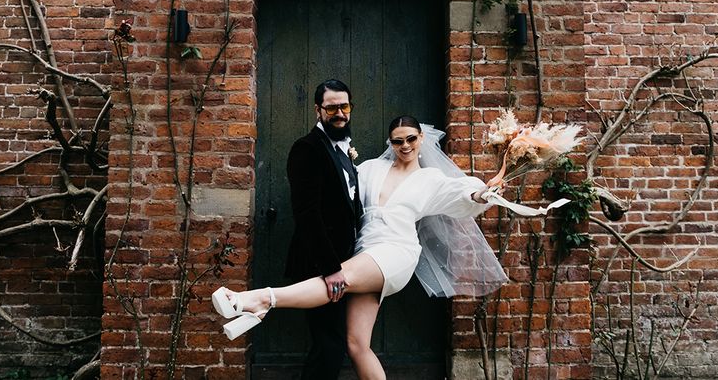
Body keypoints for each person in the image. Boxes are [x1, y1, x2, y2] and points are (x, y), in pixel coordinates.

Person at [212, 115, 508, 380]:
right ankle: (260, 306)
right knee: (356, 344)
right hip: (365, 251)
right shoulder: (369, 169)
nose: (405, 146)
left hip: (396, 252)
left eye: (411, 139)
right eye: (398, 140)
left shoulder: (432, 178)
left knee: (341, 276)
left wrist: (484, 192)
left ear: (422, 139)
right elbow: (339, 188)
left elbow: (465, 194)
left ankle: (262, 300)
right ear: (390, 143)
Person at [284, 79, 363, 380]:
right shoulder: (307, 148)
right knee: (329, 345)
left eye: (344, 107)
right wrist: (330, 268)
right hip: (319, 265)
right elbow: (307, 214)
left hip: (344, 263)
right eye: (331, 108)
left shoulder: (342, 149)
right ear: (318, 110)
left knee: (331, 344)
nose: (339, 113)